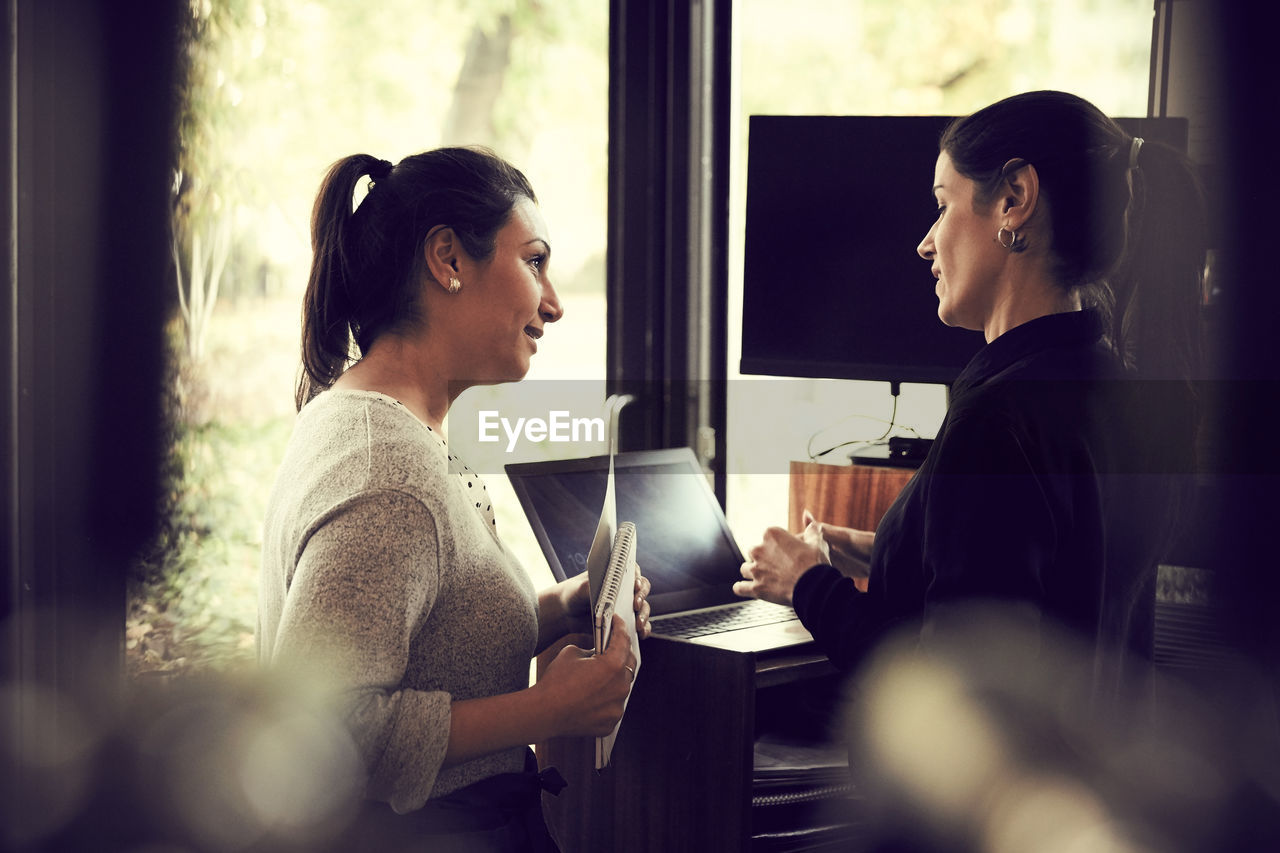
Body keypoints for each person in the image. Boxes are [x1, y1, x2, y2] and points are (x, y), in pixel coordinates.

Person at [735, 91, 1207, 705]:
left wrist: (808, 585)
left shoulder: (998, 420)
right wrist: (877, 551)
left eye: (942, 206)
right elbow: (1056, 581)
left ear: (1014, 200)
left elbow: (949, 697)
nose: (926, 244)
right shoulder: (1117, 390)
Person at [258, 146, 651, 852]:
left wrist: (566, 606)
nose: (554, 304)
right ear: (448, 259)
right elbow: (322, 728)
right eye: (535, 261)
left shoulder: (382, 426)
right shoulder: (388, 469)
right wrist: (546, 708)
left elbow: (419, 641)